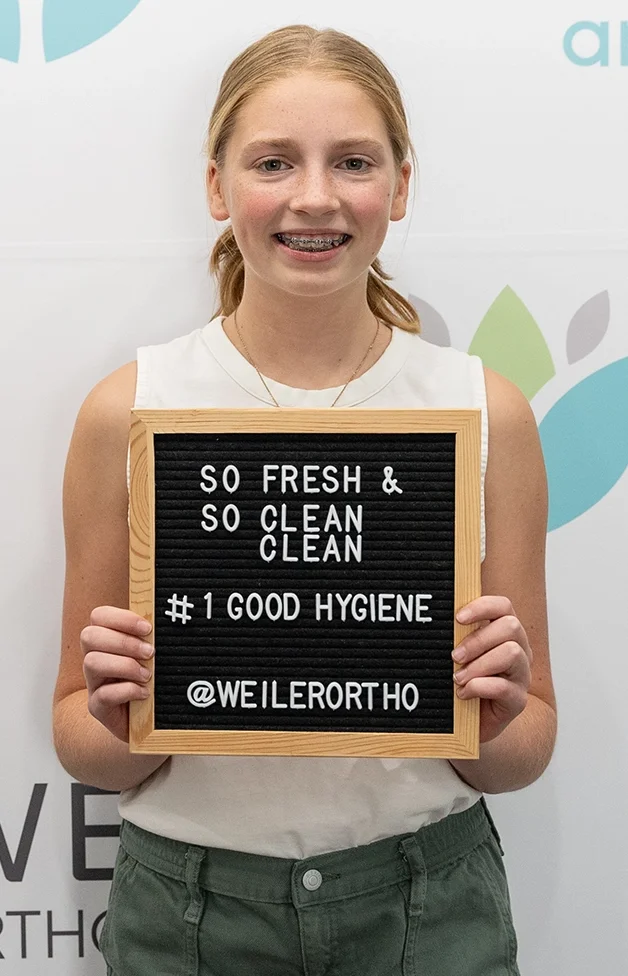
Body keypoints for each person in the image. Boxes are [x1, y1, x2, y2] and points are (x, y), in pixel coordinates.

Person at [52, 23, 557, 976]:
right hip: (189, 907)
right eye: (274, 162)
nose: (314, 196)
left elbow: (523, 750)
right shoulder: (128, 412)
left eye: (354, 162)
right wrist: (116, 713)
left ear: (401, 187)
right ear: (216, 187)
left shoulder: (485, 414)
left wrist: (499, 711)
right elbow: (82, 735)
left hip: (428, 904)